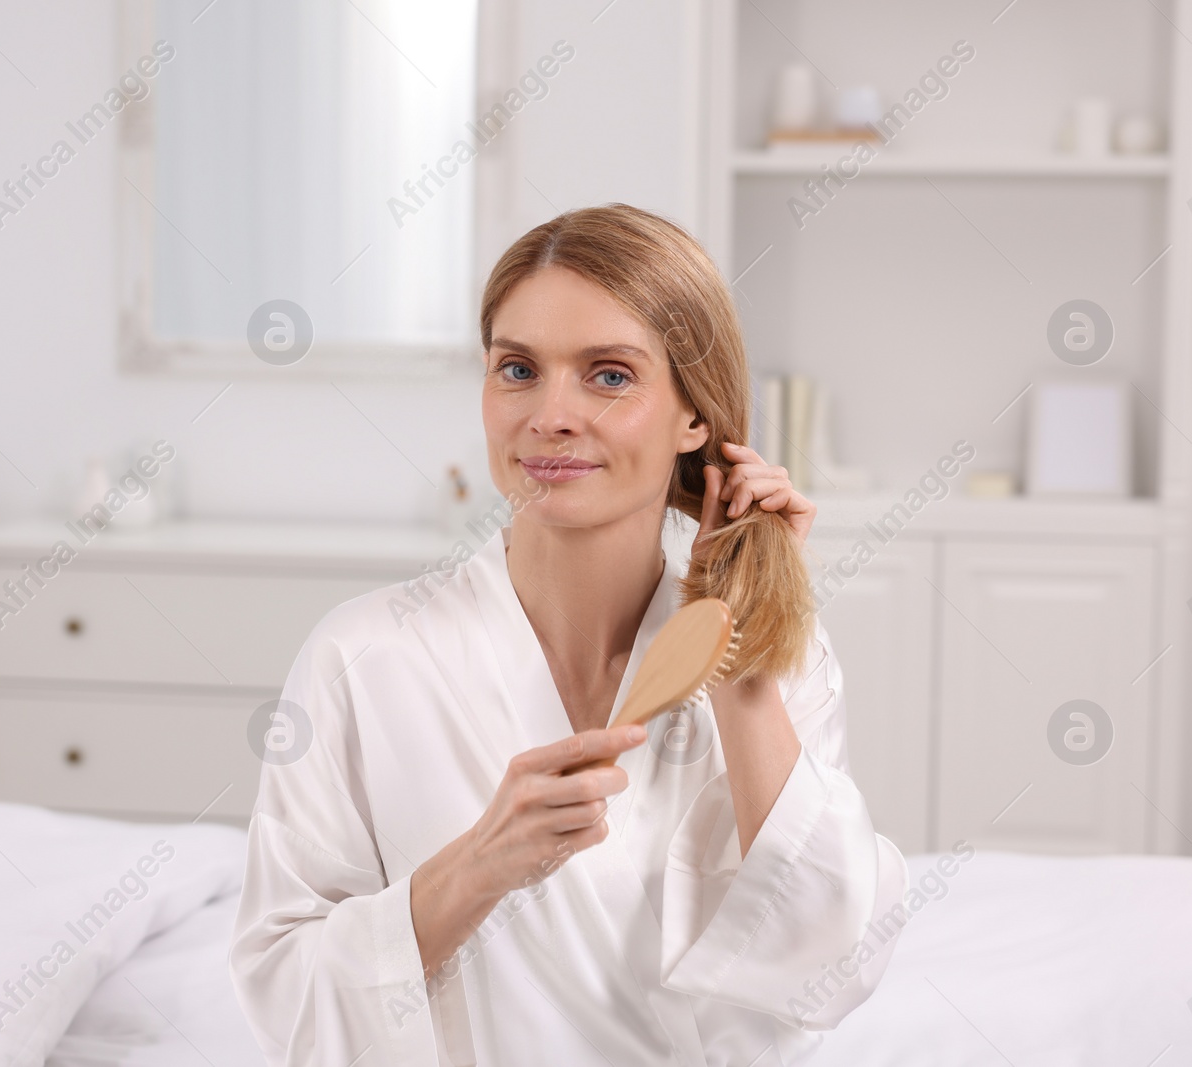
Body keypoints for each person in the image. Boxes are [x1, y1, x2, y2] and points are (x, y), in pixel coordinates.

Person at [230, 204, 909, 1066]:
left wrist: (734, 647)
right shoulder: (362, 657)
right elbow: (279, 992)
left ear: (694, 417)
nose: (550, 415)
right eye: (517, 369)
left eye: (610, 376)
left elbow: (834, 959)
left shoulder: (782, 662)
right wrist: (475, 867)